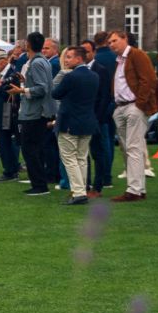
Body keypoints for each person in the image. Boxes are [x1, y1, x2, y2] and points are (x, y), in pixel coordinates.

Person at [107, 29, 158, 202]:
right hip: (122, 106)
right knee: (128, 148)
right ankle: (138, 188)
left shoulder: (137, 55)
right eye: (109, 43)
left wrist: (140, 104)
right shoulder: (120, 60)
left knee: (133, 147)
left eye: (114, 41)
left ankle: (134, 190)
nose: (111, 45)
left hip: (133, 106)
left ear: (125, 39)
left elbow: (150, 80)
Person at [8, 32, 56, 197]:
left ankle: (39, 184)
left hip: (34, 112)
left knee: (30, 149)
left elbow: (42, 88)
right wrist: (24, 81)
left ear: (28, 44)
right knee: (34, 148)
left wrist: (21, 89)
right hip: (35, 111)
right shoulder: (41, 61)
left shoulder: (36, 63)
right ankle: (39, 182)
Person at [51, 47, 99, 206]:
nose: (66, 60)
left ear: (79, 59)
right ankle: (82, 190)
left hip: (70, 122)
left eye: (69, 57)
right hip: (87, 121)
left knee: (70, 158)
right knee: (81, 158)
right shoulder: (94, 76)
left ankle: (78, 192)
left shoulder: (70, 76)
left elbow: (55, 93)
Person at [85, 34, 117, 198]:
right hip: (84, 117)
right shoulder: (80, 70)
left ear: (94, 52)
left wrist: (98, 117)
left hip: (98, 117)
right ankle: (86, 184)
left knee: (99, 151)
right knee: (84, 153)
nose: (85, 54)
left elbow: (105, 96)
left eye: (87, 51)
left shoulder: (100, 70)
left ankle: (98, 185)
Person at [0, 50, 22, 183]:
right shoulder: (3, 73)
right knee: (4, 142)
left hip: (7, 112)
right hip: (2, 111)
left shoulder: (12, 73)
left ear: (2, 61)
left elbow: (9, 91)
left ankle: (10, 171)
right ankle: (10, 169)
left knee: (5, 141)